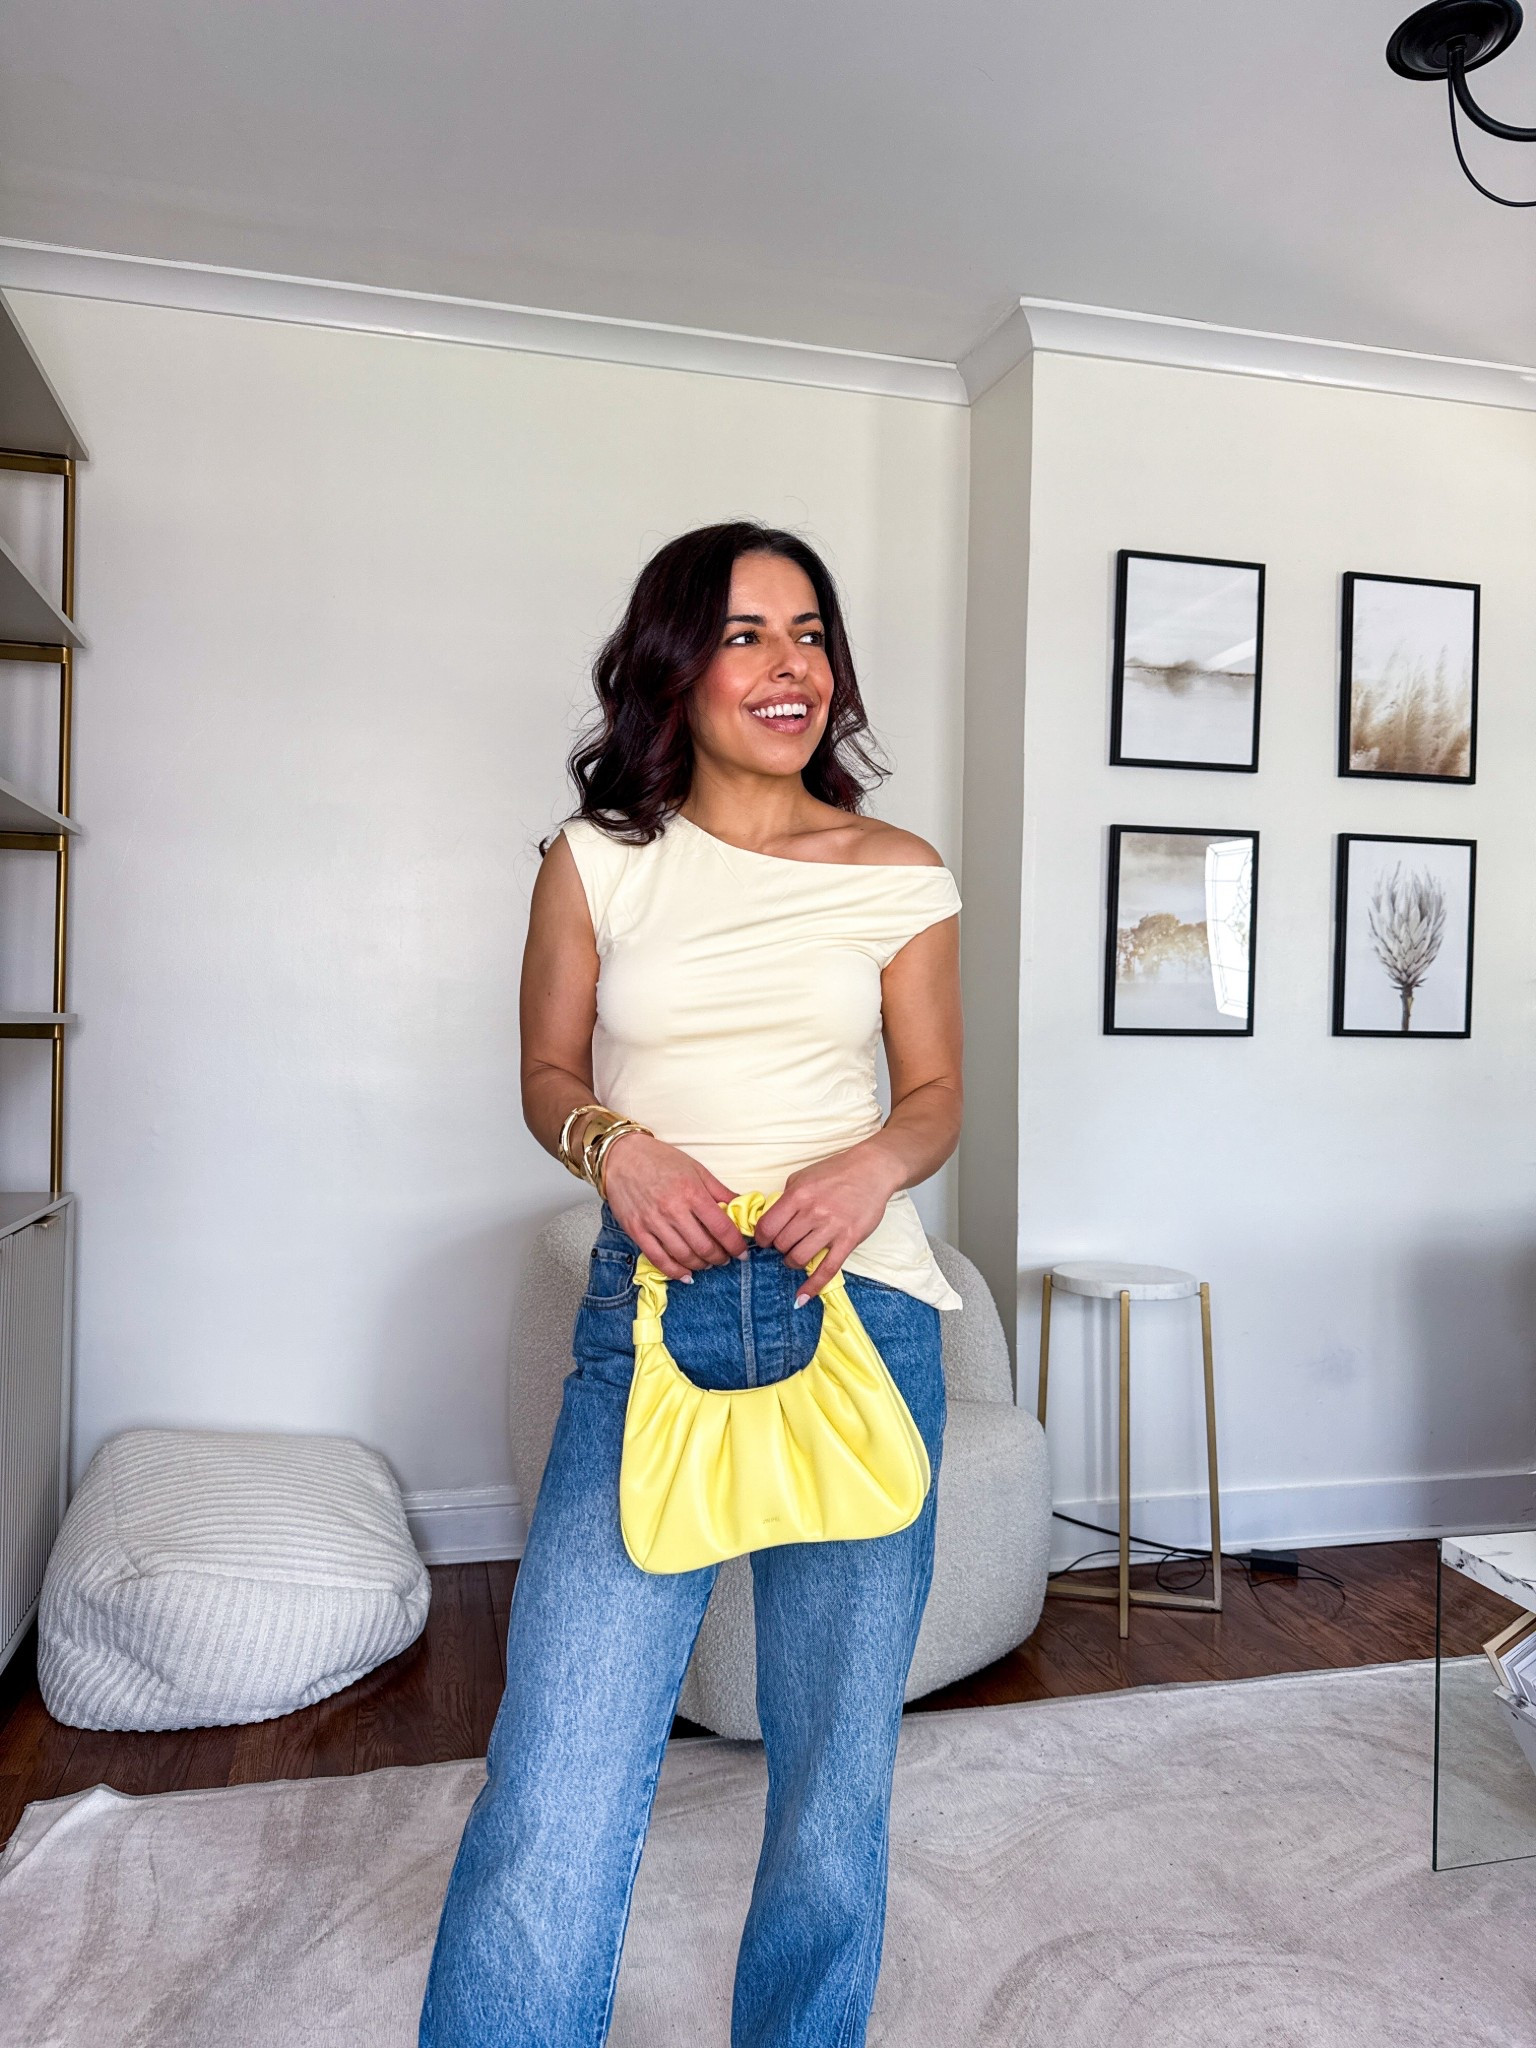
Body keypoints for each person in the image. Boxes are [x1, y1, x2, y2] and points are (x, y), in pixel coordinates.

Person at [418, 520, 964, 2048]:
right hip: (649, 1319)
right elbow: (545, 1072)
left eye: (809, 633)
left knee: (835, 1776)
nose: (788, 665)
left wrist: (870, 1170)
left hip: (861, 1316)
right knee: (562, 1766)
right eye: (744, 635)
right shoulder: (596, 862)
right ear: (676, 663)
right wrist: (617, 1149)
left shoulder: (897, 872)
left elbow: (933, 1096)